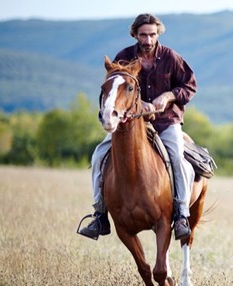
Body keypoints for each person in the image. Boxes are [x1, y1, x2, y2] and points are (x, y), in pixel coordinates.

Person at [78, 13, 197, 241]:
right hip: (132, 123)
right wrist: (134, 104)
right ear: (135, 34)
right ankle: (100, 214)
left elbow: (190, 86)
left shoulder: (171, 57)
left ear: (158, 33)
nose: (148, 40)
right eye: (143, 35)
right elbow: (114, 89)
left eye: (152, 34)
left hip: (166, 121)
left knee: (178, 159)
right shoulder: (123, 57)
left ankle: (181, 214)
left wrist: (168, 96)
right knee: (99, 156)